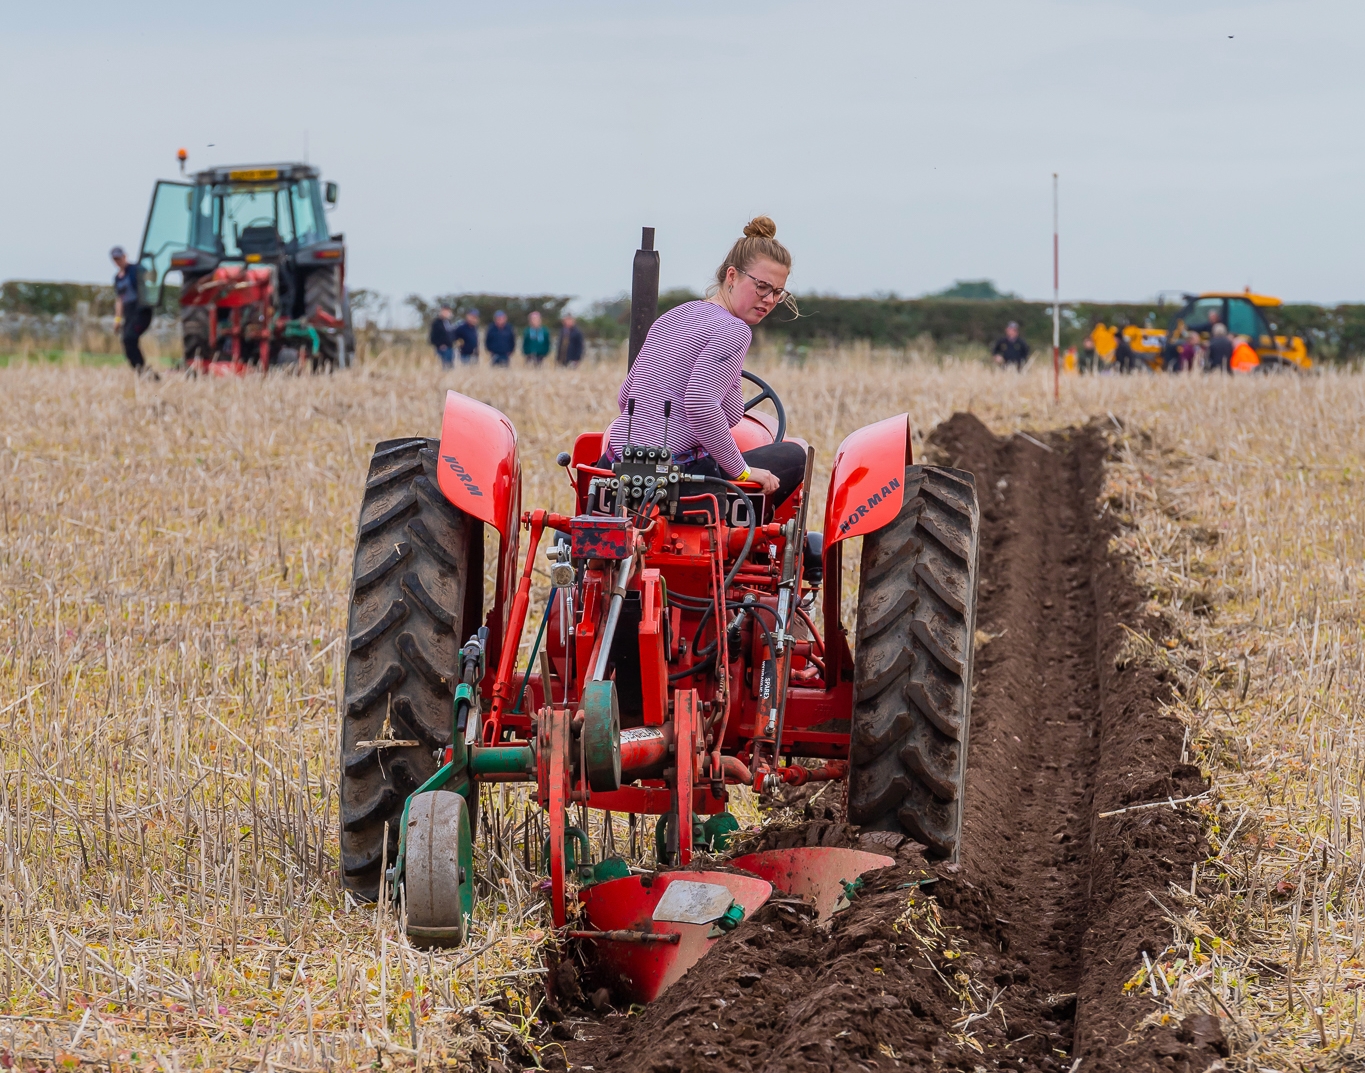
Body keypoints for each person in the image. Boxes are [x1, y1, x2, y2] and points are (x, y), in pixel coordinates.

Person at [602, 215, 807, 510]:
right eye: (762, 286)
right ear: (732, 276)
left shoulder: (673, 316)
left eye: (778, 292)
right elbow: (700, 403)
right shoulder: (735, 330)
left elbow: (626, 397)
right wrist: (743, 471)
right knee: (793, 455)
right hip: (675, 482)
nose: (769, 299)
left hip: (612, 467)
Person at [111, 246, 154, 374]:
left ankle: (142, 369)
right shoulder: (117, 278)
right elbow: (119, 300)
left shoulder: (136, 269)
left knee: (130, 337)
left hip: (141, 311)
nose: (118, 261)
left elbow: (152, 279)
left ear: (125, 256)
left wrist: (152, 263)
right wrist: (117, 319)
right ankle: (140, 369)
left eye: (120, 258)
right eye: (115, 259)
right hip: (129, 313)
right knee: (126, 340)